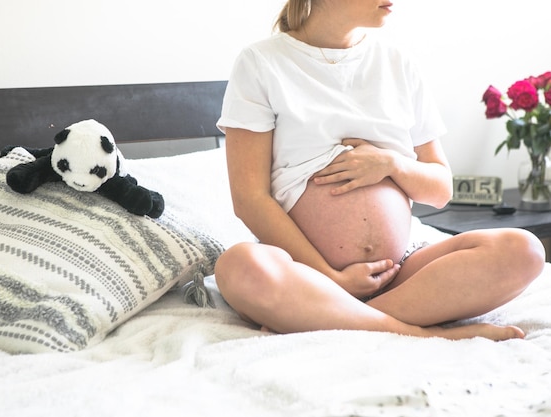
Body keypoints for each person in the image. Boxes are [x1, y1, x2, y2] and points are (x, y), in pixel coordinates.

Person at [214, 0, 546, 341]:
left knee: (524, 250)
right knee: (238, 266)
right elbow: (249, 198)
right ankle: (422, 333)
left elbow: (440, 188)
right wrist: (330, 277)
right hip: (306, 275)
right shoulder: (260, 63)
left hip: (398, 273)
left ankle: (325, 316)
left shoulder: (398, 63)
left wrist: (392, 164)